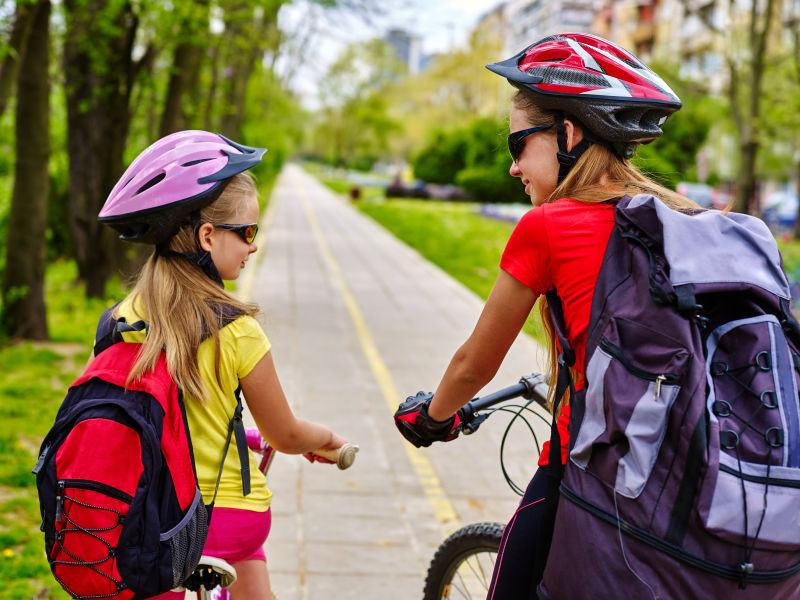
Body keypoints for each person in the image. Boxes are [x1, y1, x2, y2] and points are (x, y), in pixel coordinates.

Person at [393, 33, 701, 598]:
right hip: (699, 479)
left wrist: (431, 418)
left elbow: (473, 364)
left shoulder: (549, 226)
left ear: (569, 133)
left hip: (591, 472)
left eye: (517, 145)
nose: (513, 168)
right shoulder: (686, 218)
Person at [96, 130, 348, 600]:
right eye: (248, 232)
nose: (254, 246)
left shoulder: (116, 322)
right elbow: (284, 434)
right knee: (245, 549)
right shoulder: (236, 329)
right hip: (226, 524)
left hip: (139, 520)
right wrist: (324, 439)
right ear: (208, 236)